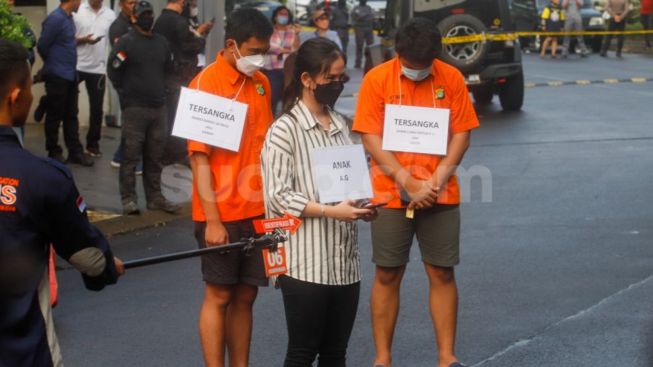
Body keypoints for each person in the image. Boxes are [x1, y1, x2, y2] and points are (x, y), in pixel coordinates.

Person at [352, 18, 479, 367]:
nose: (419, 72)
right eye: (411, 67)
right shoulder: (377, 79)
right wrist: (407, 181)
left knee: (442, 272)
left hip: (440, 193)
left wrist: (433, 182)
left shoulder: (451, 78)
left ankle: (447, 356)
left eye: (425, 67)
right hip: (390, 193)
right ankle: (382, 358)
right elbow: (370, 136)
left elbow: (462, 134)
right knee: (388, 272)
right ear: (398, 53)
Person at [0, 39, 124, 367]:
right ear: (15, 96)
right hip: (26, 354)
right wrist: (108, 267)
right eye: (28, 87)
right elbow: (91, 261)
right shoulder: (45, 178)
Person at [261, 37, 376, 367]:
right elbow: (279, 194)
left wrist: (362, 207)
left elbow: (348, 183)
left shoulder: (340, 123)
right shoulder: (284, 130)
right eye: (330, 78)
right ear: (307, 80)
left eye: (341, 78)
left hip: (344, 263)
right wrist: (331, 210)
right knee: (302, 352)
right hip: (304, 262)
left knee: (335, 353)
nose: (337, 84)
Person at [187, 8, 273, 367]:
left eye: (264, 50)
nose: (259, 58)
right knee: (219, 295)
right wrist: (213, 221)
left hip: (257, 211)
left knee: (246, 296)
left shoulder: (261, 83)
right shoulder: (205, 84)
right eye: (254, 50)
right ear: (232, 45)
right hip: (220, 213)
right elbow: (198, 159)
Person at [107, 0, 181, 215]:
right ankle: (129, 199)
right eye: (143, 14)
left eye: (150, 13)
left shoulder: (162, 43)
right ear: (134, 17)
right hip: (135, 109)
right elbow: (114, 71)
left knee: (155, 155)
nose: (147, 17)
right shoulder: (126, 43)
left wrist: (166, 92)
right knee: (131, 156)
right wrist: (125, 93)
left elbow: (169, 70)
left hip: (159, 108)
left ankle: (155, 198)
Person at [153, 0, 213, 166]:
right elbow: (190, 46)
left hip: (167, 74)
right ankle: (175, 153)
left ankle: (167, 152)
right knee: (178, 116)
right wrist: (200, 36)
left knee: (170, 115)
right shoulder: (178, 22)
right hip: (178, 75)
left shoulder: (160, 20)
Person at [37, 0, 95, 166]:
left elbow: (67, 42)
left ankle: (75, 152)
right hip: (57, 75)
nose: (81, 3)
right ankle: (53, 151)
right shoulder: (55, 19)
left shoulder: (69, 19)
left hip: (70, 75)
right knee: (55, 115)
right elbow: (42, 46)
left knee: (71, 115)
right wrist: (53, 64)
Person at [73, 0, 116, 158]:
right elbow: (68, 37)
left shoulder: (110, 15)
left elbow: (114, 41)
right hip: (76, 65)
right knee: (70, 107)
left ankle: (93, 145)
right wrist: (84, 40)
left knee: (97, 110)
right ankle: (74, 146)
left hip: (98, 69)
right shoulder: (78, 10)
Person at [263, 5, 301, 115]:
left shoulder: (292, 31)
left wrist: (297, 34)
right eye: (281, 14)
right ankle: (269, 124)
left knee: (288, 100)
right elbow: (268, 47)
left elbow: (296, 49)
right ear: (275, 16)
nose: (283, 16)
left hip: (288, 70)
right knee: (272, 99)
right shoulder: (268, 30)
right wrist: (285, 50)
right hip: (272, 70)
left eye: (286, 14)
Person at [351, 0, 374, 68]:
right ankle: (358, 63)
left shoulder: (369, 8)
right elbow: (354, 17)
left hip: (368, 29)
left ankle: (370, 62)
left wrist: (362, 17)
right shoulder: (356, 8)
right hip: (359, 29)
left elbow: (371, 17)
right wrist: (364, 17)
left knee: (370, 47)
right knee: (359, 46)